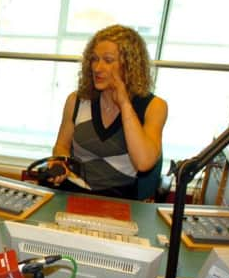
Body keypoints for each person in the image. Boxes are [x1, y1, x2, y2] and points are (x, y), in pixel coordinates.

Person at [49, 24, 168, 199]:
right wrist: (61, 162)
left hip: (118, 200)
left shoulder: (154, 106)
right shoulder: (76, 100)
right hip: (72, 192)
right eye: (94, 59)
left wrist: (125, 104)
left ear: (129, 65)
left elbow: (143, 162)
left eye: (108, 60)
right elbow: (62, 145)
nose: (97, 68)